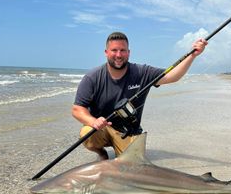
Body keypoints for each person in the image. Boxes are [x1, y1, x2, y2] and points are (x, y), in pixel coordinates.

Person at [72, 32, 207, 160]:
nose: (118, 55)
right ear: (106, 52)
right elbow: (77, 109)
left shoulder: (142, 72)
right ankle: (101, 153)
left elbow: (172, 76)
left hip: (129, 132)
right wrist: (93, 121)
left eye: (123, 50)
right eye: (114, 50)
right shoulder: (92, 77)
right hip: (102, 129)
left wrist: (192, 55)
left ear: (129, 53)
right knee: (87, 132)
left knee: (132, 166)